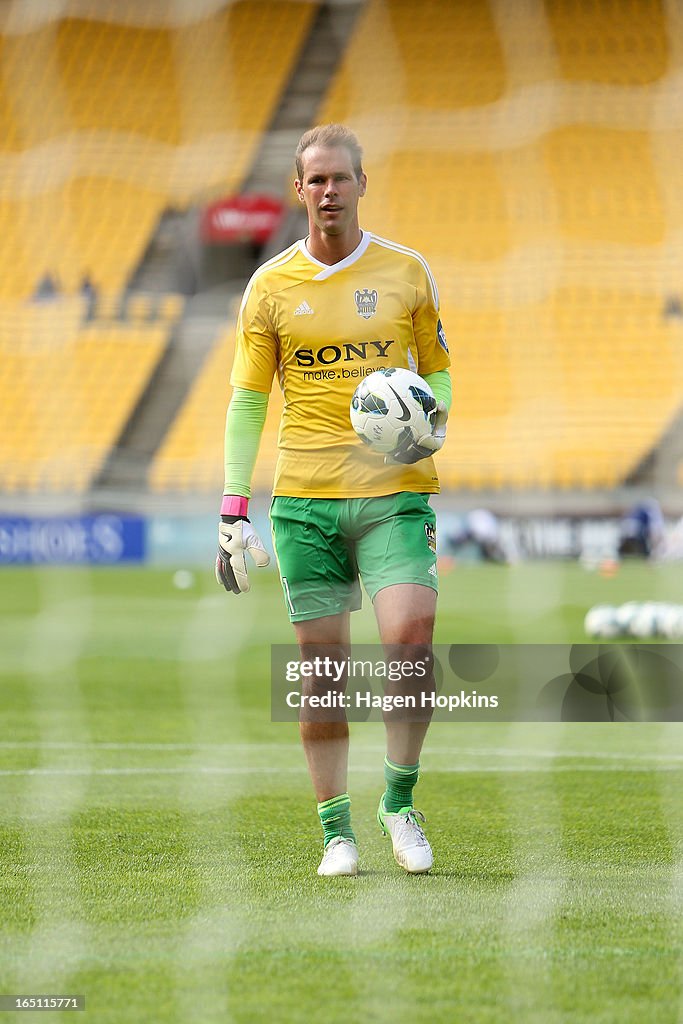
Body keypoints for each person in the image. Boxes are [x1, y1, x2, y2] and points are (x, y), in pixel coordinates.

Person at [215, 124, 452, 877]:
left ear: (360, 183)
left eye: (339, 178)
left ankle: (399, 803)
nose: (327, 191)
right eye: (313, 180)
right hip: (305, 502)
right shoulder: (270, 286)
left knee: (410, 647)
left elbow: (439, 374)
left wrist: (426, 425)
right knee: (321, 677)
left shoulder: (407, 272)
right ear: (298, 190)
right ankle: (336, 832)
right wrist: (232, 505)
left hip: (393, 494)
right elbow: (247, 400)